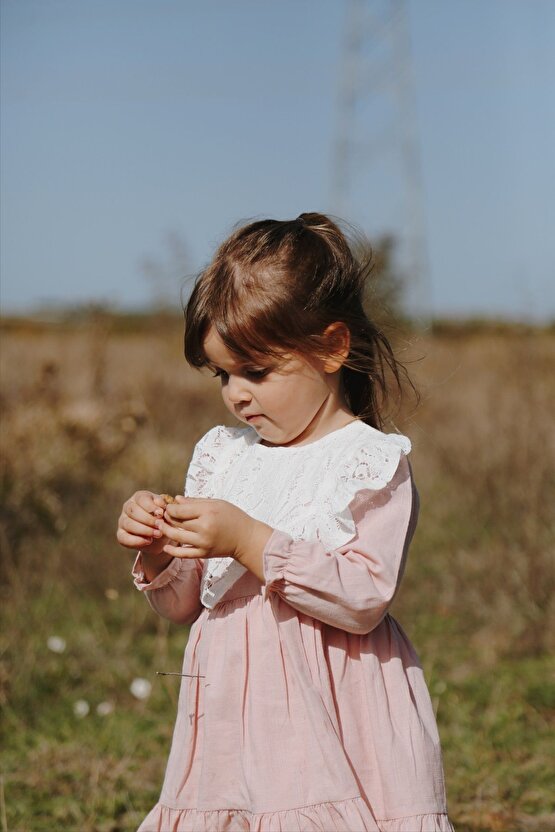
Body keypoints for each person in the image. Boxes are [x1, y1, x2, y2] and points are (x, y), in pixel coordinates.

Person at [117, 213, 455, 832]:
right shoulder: (223, 456)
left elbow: (364, 597)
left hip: (336, 711)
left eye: (257, 371)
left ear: (331, 347)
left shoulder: (367, 462)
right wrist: (161, 548)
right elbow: (187, 605)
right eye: (223, 374)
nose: (236, 394)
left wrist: (249, 539)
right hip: (232, 723)